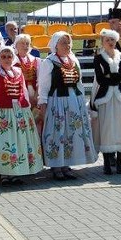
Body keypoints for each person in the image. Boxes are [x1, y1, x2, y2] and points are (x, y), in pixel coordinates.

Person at [38, 31, 96, 180]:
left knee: (71, 133)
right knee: (58, 132)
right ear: (55, 45)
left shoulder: (73, 60)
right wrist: (43, 104)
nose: (67, 45)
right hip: (57, 101)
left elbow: (79, 83)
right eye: (63, 42)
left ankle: (66, 164)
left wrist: (82, 102)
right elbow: (43, 87)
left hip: (74, 101)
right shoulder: (49, 62)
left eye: (68, 42)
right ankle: (56, 165)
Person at [0, 46, 44, 185]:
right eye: (3, 57)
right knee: (4, 143)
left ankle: (16, 172)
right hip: (3, 113)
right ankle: (4, 174)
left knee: (19, 142)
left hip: (20, 112)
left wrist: (27, 109)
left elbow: (23, 91)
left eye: (9, 56)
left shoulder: (18, 72)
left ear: (13, 58)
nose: (6, 59)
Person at [91, 29, 121, 175]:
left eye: (112, 40)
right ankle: (107, 163)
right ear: (103, 42)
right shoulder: (98, 58)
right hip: (106, 98)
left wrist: (112, 76)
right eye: (107, 40)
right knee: (106, 130)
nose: (110, 42)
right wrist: (118, 77)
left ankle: (119, 163)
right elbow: (100, 79)